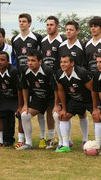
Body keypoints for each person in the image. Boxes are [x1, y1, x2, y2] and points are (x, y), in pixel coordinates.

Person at [11, 13, 43, 149]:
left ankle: (43, 138)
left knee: (41, 110)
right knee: (21, 108)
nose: (22, 23)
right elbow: (15, 57)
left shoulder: (37, 38)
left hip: (35, 77)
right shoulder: (15, 39)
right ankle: (21, 139)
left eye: (24, 21)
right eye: (20, 21)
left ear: (29, 23)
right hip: (21, 77)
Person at [17, 49, 59, 150]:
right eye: (28, 60)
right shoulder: (24, 70)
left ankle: (53, 140)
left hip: (51, 98)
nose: (30, 63)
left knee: (55, 114)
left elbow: (56, 89)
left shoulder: (47, 70)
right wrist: (25, 105)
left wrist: (57, 104)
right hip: (38, 98)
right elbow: (25, 88)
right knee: (24, 115)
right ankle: (28, 143)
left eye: (33, 60)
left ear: (40, 61)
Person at [56, 54, 94, 153]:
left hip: (89, 99)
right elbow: (61, 91)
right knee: (63, 116)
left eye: (65, 62)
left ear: (72, 63)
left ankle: (90, 141)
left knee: (97, 116)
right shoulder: (59, 73)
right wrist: (63, 108)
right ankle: (65, 145)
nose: (62, 64)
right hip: (75, 100)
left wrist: (96, 107)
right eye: (61, 62)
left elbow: (93, 90)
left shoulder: (82, 73)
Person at [40, 16, 65, 149]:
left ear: (57, 26)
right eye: (47, 25)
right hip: (46, 81)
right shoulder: (43, 41)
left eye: (51, 24)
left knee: (60, 110)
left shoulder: (62, 41)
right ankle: (51, 137)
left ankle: (65, 139)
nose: (49, 27)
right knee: (49, 109)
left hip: (59, 81)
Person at [0, 52, 22, 147]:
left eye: (2, 60)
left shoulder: (13, 71)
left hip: (15, 98)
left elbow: (19, 90)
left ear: (8, 61)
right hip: (2, 98)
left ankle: (21, 141)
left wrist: (20, 106)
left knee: (21, 115)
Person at [85, 16, 101, 145]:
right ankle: (97, 140)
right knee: (95, 111)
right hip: (92, 81)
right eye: (91, 26)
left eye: (96, 26)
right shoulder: (87, 44)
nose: (93, 28)